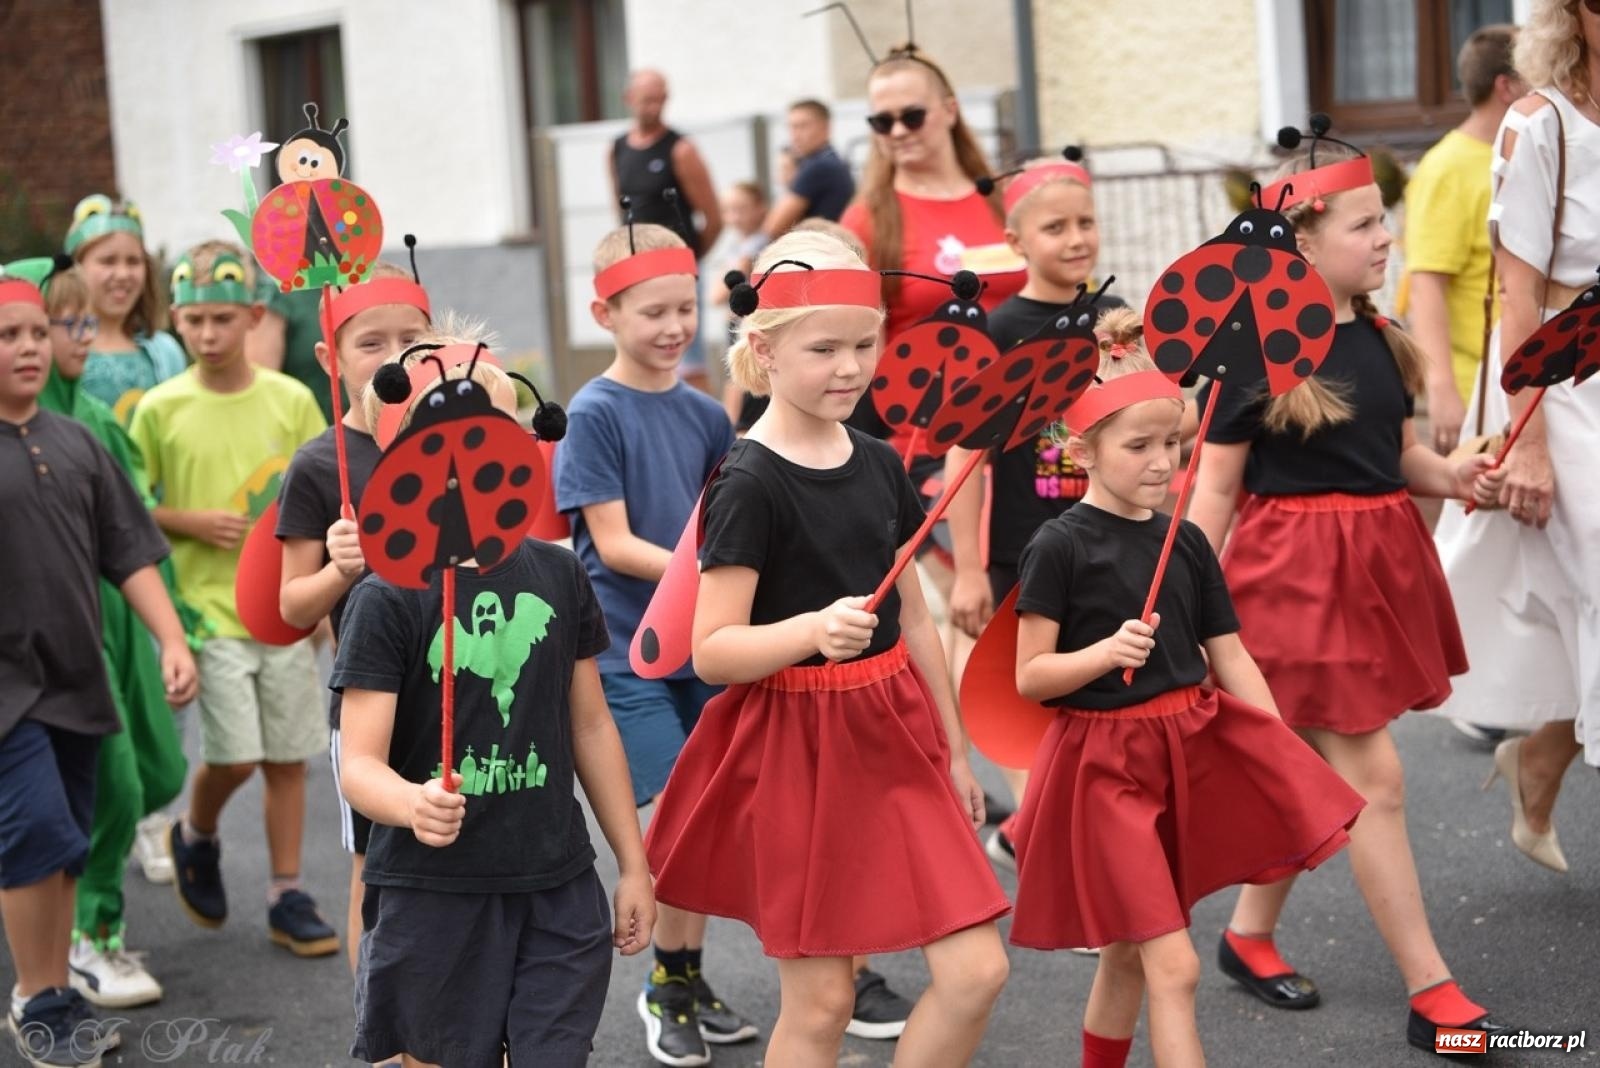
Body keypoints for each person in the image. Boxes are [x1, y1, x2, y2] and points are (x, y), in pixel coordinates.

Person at [644, 229, 1012, 1067]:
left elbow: (914, 621)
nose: (850, 368)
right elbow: (714, 651)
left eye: (865, 345)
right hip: (799, 751)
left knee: (977, 971)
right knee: (821, 1006)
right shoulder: (748, 482)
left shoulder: (880, 462)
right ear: (765, 350)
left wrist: (957, 754)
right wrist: (810, 632)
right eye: (825, 349)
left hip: (895, 738)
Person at [1188, 138, 1508, 1053]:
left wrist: (1452, 474)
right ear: (1301, 236)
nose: (1386, 236)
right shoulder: (1251, 353)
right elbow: (1215, 490)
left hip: (1374, 567)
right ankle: (1432, 993)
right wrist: (1182, 605)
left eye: (1383, 218)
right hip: (1294, 579)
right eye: (1366, 222)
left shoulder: (1378, 334)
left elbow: (1395, 458)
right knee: (1376, 780)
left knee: (1311, 771)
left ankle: (1248, 936)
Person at [1004, 309, 1364, 1068]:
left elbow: (1230, 658)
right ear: (1083, 451)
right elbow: (1031, 677)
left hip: (1183, 751)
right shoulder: (1058, 546)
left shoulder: (1188, 540)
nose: (1164, 461)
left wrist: (1278, 753)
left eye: (1173, 442)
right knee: (1176, 964)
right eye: (1139, 446)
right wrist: (1103, 652)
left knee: (1129, 958)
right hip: (1104, 770)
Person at [335, 335, 656, 1068]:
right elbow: (358, 763)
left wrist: (632, 864)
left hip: (556, 881)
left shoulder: (557, 570)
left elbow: (590, 724)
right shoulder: (387, 597)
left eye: (497, 431)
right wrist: (411, 802)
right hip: (433, 893)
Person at [553, 223, 753, 1067]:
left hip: (702, 647)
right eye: (652, 312)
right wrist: (709, 570)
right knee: (669, 821)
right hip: (625, 653)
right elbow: (613, 541)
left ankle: (683, 973)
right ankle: (664, 985)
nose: (673, 328)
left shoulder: (709, 413)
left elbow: (732, 515)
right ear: (606, 311)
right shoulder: (592, 413)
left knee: (697, 819)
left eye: (683, 308)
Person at [0, 268, 197, 1067]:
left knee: (70, 841)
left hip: (78, 678)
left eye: (35, 334)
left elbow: (130, 551)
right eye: (9, 336)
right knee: (35, 832)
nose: (28, 348)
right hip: (8, 690)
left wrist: (171, 639)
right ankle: (33, 995)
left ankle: (50, 989)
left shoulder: (75, 441)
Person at [128, 241, 337, 957]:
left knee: (287, 755)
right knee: (238, 754)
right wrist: (186, 521)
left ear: (254, 315)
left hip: (283, 609)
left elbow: (324, 492)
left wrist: (321, 605)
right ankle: (198, 829)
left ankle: (287, 893)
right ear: (175, 322)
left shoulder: (291, 399)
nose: (208, 335)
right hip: (204, 610)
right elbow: (129, 505)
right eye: (193, 321)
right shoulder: (160, 408)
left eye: (222, 318)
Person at [1433, 0, 1600, 871]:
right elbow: (1519, 298)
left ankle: (1541, 755)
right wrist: (1525, 436)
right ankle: (1540, 756)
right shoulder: (1540, 127)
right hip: (1568, 387)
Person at [939, 155, 1122, 869]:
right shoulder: (1001, 329)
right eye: (1055, 227)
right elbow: (965, 457)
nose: (1076, 239)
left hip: (1109, 545)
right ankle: (1058, 855)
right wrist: (968, 572)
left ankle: (1043, 839)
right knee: (1040, 722)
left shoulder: (1115, 319)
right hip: (1029, 555)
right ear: (1016, 242)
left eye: (1086, 222)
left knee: (1100, 714)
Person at [275, 263, 432, 1015]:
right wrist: (339, 570)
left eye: (413, 338)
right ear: (331, 359)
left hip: (459, 689)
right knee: (377, 868)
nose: (395, 355)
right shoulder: (317, 464)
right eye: (373, 342)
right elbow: (293, 606)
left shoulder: (452, 442)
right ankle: (382, 1028)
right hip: (373, 699)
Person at [1406, 24, 1522, 457]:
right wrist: (1442, 389)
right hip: (1478, 384)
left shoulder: (1518, 153)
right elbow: (1427, 284)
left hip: (1518, 376)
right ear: (1506, 87)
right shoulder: (1446, 169)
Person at [611, 69, 723, 394]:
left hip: (677, 270)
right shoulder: (617, 149)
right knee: (642, 358)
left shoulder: (681, 150)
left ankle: (711, 438)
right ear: (629, 99)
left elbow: (713, 217)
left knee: (689, 359)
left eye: (661, 99)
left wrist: (689, 259)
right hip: (635, 271)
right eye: (647, 100)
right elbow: (621, 209)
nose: (655, 107)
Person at [62, 195, 187, 428]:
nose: (122, 274)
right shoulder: (59, 349)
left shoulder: (165, 353)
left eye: (133, 262)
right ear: (75, 266)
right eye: (108, 261)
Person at [758, 100, 857, 238]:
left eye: (802, 126)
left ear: (826, 128)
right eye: (791, 127)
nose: (795, 135)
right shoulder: (830, 161)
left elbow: (773, 228)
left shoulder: (819, 166)